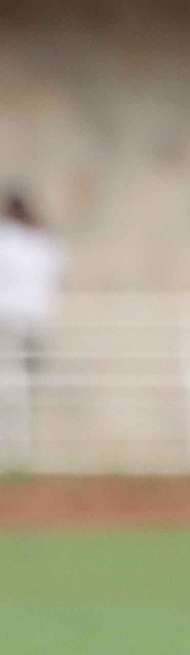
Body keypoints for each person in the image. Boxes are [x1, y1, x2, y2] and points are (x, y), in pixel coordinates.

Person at [0, 190, 63, 465]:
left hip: (9, 317)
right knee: (28, 385)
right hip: (39, 317)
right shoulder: (45, 240)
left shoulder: (7, 239)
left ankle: (16, 453)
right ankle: (22, 451)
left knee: (11, 386)